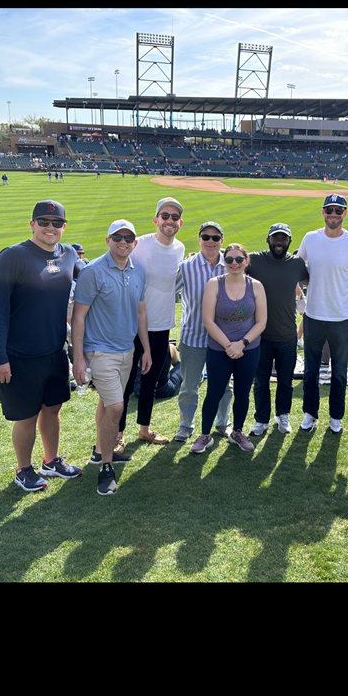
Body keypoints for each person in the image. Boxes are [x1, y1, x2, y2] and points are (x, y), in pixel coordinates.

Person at [0, 199, 83, 491]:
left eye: (56, 223)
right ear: (32, 225)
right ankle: (22, 469)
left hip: (54, 351)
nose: (50, 228)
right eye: (43, 222)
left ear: (64, 227)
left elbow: (87, 280)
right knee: (27, 416)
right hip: (20, 354)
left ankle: (51, 461)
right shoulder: (13, 256)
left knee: (52, 409)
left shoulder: (67, 255)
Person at [72, 220, 151, 495]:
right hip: (100, 350)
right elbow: (78, 316)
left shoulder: (138, 270)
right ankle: (106, 466)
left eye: (129, 238)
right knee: (117, 408)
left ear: (134, 243)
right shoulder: (92, 271)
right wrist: (78, 357)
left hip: (126, 350)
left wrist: (147, 348)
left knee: (107, 402)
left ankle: (99, 451)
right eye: (117, 237)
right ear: (108, 240)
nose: (123, 241)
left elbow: (141, 312)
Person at [118, 197, 185, 446]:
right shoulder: (139, 244)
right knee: (125, 384)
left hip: (162, 325)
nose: (169, 221)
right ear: (156, 219)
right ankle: (118, 434)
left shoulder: (179, 248)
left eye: (174, 217)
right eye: (165, 216)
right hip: (131, 325)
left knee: (151, 382)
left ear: (180, 222)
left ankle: (144, 429)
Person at [297, 195, 348, 435]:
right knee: (310, 371)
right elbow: (297, 268)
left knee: (339, 371)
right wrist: (302, 294)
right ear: (323, 212)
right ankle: (310, 414)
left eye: (339, 210)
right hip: (314, 315)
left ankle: (336, 417)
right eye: (330, 210)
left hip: (341, 318)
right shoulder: (310, 238)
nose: (334, 214)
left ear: (345, 213)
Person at [191, 244, 267, 452]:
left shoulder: (256, 286)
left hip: (248, 348)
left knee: (243, 392)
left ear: (246, 261)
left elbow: (261, 322)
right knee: (214, 392)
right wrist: (228, 346)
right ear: (224, 262)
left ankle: (238, 432)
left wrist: (241, 344)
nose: (234, 263)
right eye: (229, 259)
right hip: (219, 349)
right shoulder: (214, 284)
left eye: (239, 259)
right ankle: (205, 435)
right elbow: (208, 320)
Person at [247, 222, 309, 435]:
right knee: (260, 380)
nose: (279, 242)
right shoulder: (254, 260)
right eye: (275, 238)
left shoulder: (297, 263)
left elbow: (313, 280)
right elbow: (232, 265)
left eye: (284, 238)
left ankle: (283, 416)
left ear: (290, 241)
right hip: (259, 335)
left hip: (287, 334)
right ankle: (262, 419)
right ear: (268, 240)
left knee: (286, 380)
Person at [173, 221, 232, 442]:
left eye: (215, 238)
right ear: (199, 239)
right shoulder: (187, 267)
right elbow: (168, 292)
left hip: (224, 339)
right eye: (206, 237)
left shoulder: (231, 263)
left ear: (222, 241)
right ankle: (185, 426)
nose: (210, 242)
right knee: (189, 386)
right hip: (193, 336)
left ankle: (222, 423)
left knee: (224, 386)